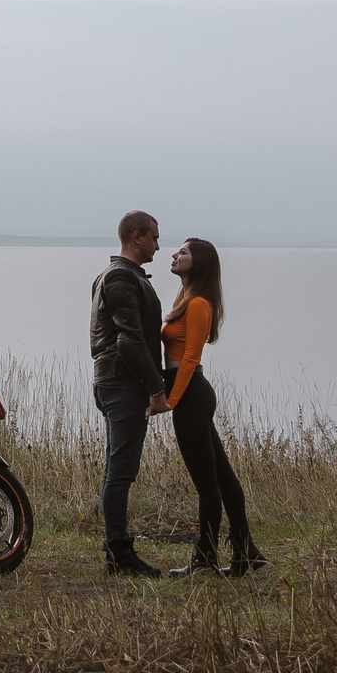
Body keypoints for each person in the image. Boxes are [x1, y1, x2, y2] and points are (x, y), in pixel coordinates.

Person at [155, 236, 264, 577]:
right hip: (189, 393)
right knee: (223, 477)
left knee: (207, 484)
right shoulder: (185, 298)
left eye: (183, 252)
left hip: (191, 394)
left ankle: (205, 559)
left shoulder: (199, 304)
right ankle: (245, 552)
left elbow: (191, 358)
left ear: (198, 262)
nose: (175, 254)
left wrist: (171, 400)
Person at [89, 210, 167, 576]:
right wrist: (156, 388)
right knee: (121, 472)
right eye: (154, 237)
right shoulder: (120, 276)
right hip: (123, 383)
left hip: (114, 381)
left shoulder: (115, 275)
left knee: (117, 469)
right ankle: (119, 554)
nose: (157, 245)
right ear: (137, 237)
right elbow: (129, 340)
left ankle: (116, 549)